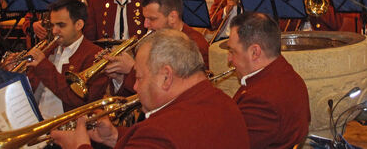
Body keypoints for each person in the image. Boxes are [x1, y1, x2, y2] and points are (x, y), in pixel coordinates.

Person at [51, 29, 250, 149]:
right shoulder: (225, 102)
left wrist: (79, 146)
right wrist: (114, 137)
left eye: (139, 77)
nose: (135, 87)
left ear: (166, 76)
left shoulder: (158, 131)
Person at [104, 0, 210, 95]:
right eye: (144, 18)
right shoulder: (152, 41)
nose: (145, 25)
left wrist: (133, 69)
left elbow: (174, 92)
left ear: (172, 17)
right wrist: (119, 78)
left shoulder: (195, 45)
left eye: (152, 19)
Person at [228, 11, 310, 148]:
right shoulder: (286, 73)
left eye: (232, 51)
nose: (229, 59)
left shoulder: (260, 101)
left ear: (255, 52)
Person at [25, 0, 108, 118]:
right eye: (53, 25)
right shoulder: (48, 51)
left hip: (68, 129)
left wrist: (43, 66)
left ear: (79, 25)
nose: (54, 31)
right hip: (37, 121)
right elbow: (30, 90)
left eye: (61, 25)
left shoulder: (95, 56)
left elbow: (79, 101)